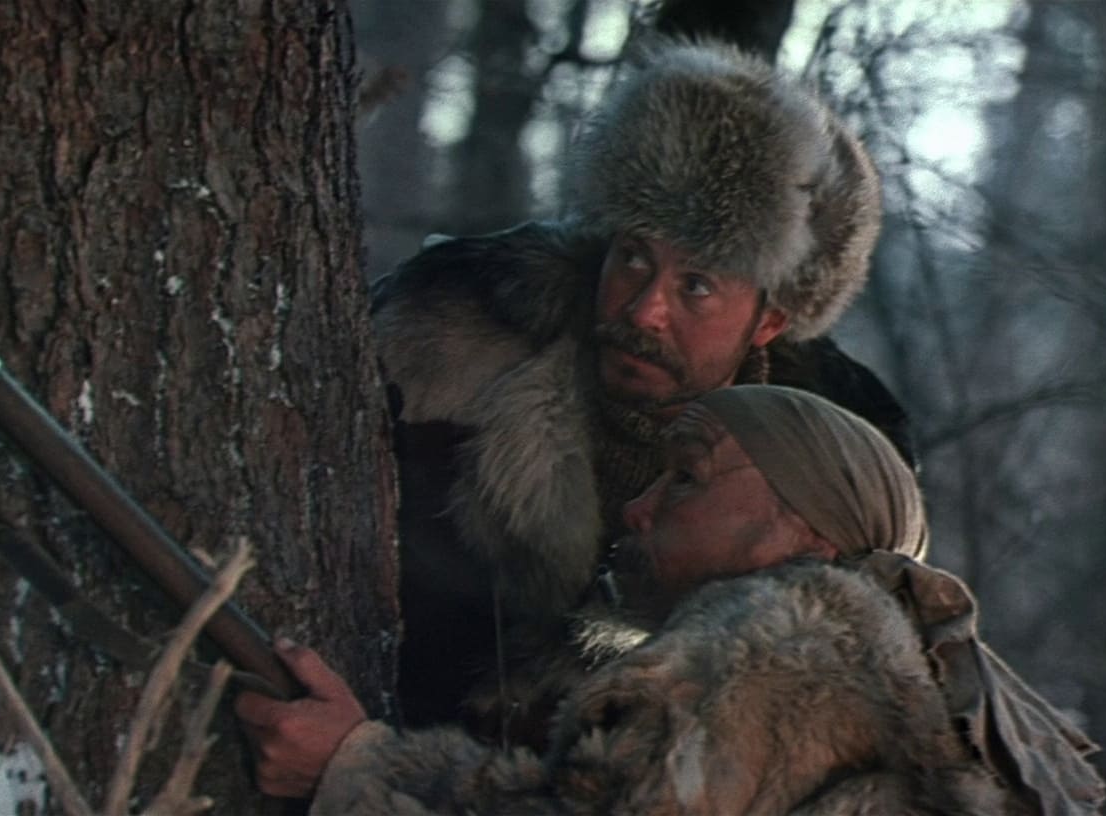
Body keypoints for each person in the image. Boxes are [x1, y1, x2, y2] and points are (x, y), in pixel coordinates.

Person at [238, 386, 1106, 815]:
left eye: (687, 478)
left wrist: (355, 767)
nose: (638, 508)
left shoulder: (775, 638)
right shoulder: (881, 671)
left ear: (811, 534)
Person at [378, 39, 910, 726]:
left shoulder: (826, 480)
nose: (642, 310)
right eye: (632, 257)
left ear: (769, 323)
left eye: (696, 286)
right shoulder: (449, 336)